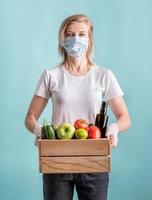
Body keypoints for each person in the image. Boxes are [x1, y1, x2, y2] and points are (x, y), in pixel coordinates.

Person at [25, 14, 131, 200]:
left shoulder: (103, 75)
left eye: (82, 34)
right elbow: (30, 117)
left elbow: (125, 117)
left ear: (90, 40)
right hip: (57, 159)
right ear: (62, 39)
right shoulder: (51, 75)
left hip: (93, 159)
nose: (76, 39)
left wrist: (114, 128)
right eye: (70, 34)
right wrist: (37, 129)